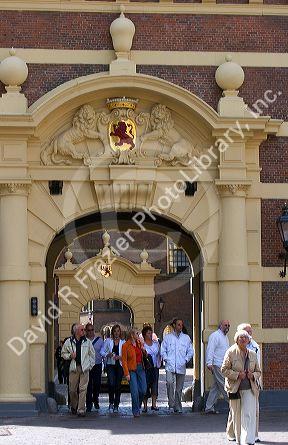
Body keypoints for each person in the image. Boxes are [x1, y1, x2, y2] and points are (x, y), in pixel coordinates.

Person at [221, 329, 261, 445]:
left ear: (249, 340)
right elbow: (224, 369)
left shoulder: (253, 354)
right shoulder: (231, 352)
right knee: (237, 416)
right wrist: (238, 375)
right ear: (236, 340)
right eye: (241, 338)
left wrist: (252, 375)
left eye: (245, 338)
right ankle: (239, 441)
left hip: (250, 388)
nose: (243, 339)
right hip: (235, 389)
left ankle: (248, 440)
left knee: (249, 414)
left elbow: (259, 371)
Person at [61, 323, 95, 416]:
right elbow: (63, 354)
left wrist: (90, 366)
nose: (84, 331)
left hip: (84, 368)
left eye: (83, 330)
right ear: (76, 331)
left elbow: (92, 355)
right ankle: (74, 405)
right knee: (72, 390)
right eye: (82, 330)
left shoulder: (87, 342)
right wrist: (70, 356)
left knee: (83, 389)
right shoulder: (69, 341)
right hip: (73, 368)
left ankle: (81, 410)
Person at [161, 318, 193, 414]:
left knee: (179, 388)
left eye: (181, 325)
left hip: (181, 365)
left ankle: (178, 406)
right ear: (174, 325)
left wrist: (186, 359)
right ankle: (171, 402)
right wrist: (166, 359)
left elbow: (190, 351)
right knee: (169, 382)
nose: (180, 326)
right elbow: (163, 350)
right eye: (179, 324)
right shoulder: (168, 337)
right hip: (170, 365)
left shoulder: (186, 338)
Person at [204, 320, 230, 414]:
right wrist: (209, 363)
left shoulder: (225, 337)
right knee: (224, 385)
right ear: (220, 326)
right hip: (217, 364)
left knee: (216, 387)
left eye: (228, 325)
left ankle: (209, 407)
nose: (227, 327)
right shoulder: (215, 336)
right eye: (225, 325)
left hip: (223, 365)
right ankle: (234, 404)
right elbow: (210, 349)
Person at [122, 329, 147, 418]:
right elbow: (124, 361)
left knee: (143, 389)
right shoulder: (125, 346)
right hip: (131, 369)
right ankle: (136, 410)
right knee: (134, 391)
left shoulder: (139, 343)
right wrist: (126, 373)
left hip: (141, 368)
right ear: (132, 335)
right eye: (137, 333)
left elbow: (144, 355)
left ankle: (138, 404)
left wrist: (144, 350)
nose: (139, 335)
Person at [100, 324, 125, 413]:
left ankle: (116, 404)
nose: (116, 333)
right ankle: (111, 402)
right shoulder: (108, 341)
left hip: (120, 365)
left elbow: (126, 355)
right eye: (115, 331)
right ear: (112, 332)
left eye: (118, 331)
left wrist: (120, 357)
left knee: (118, 385)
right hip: (110, 365)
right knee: (111, 383)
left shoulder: (123, 342)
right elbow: (102, 351)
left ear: (120, 332)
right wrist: (107, 354)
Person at [142, 325, 161, 412]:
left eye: (151, 333)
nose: (150, 334)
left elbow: (159, 354)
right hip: (146, 368)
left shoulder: (156, 343)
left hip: (154, 367)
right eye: (148, 333)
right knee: (145, 386)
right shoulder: (142, 345)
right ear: (144, 335)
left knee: (154, 385)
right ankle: (145, 406)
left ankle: (154, 404)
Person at [85, 323, 104, 412]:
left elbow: (103, 352)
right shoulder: (83, 341)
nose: (91, 332)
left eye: (92, 330)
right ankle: (89, 403)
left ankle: (95, 399)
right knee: (88, 385)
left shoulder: (100, 340)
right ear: (86, 331)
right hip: (87, 366)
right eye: (89, 330)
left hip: (97, 365)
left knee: (97, 384)